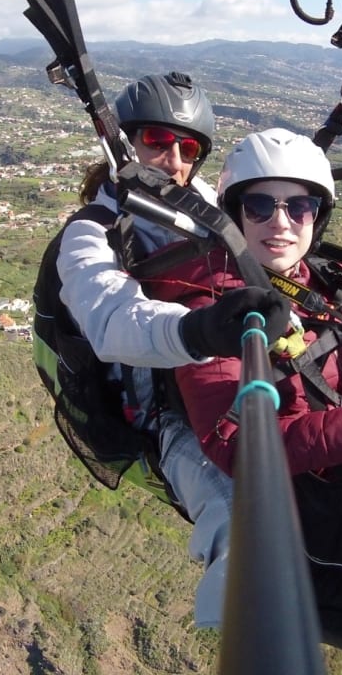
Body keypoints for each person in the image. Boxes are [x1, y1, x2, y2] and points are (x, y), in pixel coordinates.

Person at [150, 127, 342, 673]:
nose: (280, 222)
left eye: (299, 206)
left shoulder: (330, 279)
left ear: (317, 216)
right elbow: (234, 441)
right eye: (259, 205)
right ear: (234, 213)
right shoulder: (213, 309)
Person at [45, 74, 288, 627]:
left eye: (189, 148)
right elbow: (111, 319)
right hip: (162, 410)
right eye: (156, 139)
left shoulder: (198, 204)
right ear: (124, 143)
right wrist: (198, 332)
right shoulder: (92, 232)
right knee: (240, 521)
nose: (174, 159)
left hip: (229, 371)